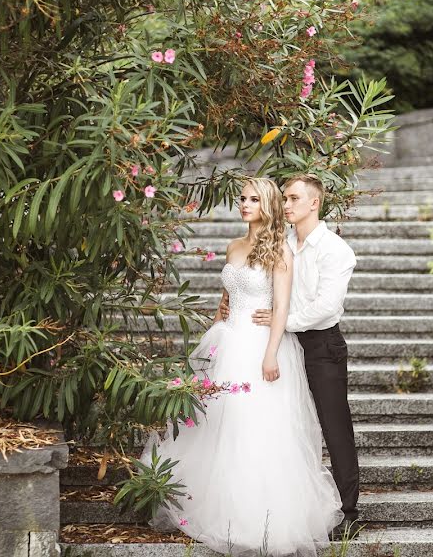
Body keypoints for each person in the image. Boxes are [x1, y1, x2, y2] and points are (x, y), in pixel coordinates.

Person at [140, 177, 343, 556]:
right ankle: (221, 508)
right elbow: (228, 294)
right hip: (229, 342)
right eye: (242, 198)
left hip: (260, 346)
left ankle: (258, 519)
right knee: (222, 424)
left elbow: (281, 307)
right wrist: (220, 317)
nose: (244, 204)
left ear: (266, 206)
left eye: (253, 199)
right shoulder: (234, 246)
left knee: (255, 429)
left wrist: (270, 354)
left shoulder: (279, 250)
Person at [251, 173, 360, 539]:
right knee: (290, 426)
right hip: (285, 344)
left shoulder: (335, 250)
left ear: (315, 203)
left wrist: (283, 321)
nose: (286, 205)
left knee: (334, 427)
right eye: (284, 198)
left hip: (321, 346)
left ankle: (349, 511)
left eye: (294, 198)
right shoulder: (282, 244)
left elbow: (326, 307)